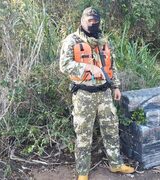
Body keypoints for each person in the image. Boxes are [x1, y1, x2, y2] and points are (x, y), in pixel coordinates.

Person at [59, 7, 134, 180]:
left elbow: (111, 65)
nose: (92, 23)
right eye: (89, 20)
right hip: (84, 94)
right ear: (82, 20)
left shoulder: (103, 40)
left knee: (111, 129)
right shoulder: (72, 40)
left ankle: (116, 165)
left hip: (105, 93)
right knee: (83, 134)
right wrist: (88, 67)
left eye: (95, 20)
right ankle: (83, 172)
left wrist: (115, 86)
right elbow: (64, 65)